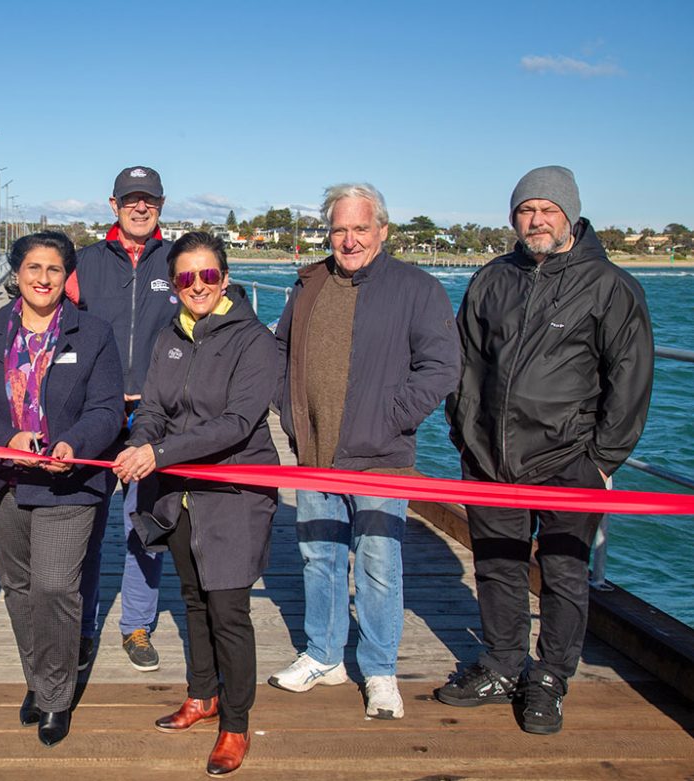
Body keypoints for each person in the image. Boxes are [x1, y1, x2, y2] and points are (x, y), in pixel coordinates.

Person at [437, 166, 653, 735]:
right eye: (525, 211)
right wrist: (465, 433)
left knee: (563, 575)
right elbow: (465, 363)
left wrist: (603, 460)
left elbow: (630, 379)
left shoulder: (609, 286)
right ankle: (505, 665)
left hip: (567, 463)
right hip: (489, 461)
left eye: (547, 210)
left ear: (571, 216)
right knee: (498, 567)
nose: (535, 220)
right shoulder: (492, 279)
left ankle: (551, 677)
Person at [269, 183, 459, 720]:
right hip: (314, 451)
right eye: (339, 229)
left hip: (380, 455)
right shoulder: (310, 284)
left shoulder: (416, 287)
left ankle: (378, 670)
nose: (349, 240)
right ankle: (324, 655)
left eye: (360, 228)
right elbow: (281, 348)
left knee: (378, 564)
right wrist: (287, 407)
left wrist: (393, 416)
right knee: (319, 556)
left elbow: (442, 366)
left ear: (382, 231)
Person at [113, 231, 278, 776]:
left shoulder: (254, 341)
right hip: (178, 492)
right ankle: (202, 696)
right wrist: (141, 443)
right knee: (191, 597)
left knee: (229, 610)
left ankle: (236, 723)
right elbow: (154, 407)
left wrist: (157, 452)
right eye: (187, 277)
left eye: (209, 275)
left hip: (233, 490)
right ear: (176, 285)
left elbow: (235, 424)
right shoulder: (169, 336)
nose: (198, 286)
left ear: (225, 278)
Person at [0, 231, 123, 747]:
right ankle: (40, 678)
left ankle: (54, 696)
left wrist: (73, 443)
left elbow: (108, 408)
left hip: (67, 483)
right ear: (16, 274)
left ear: (66, 277)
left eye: (53, 269)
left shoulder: (93, 333)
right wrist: (8, 439)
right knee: (20, 590)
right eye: (33, 268)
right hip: (3, 481)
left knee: (54, 587)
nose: (42, 279)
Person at [68, 165, 178, 672]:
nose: (140, 208)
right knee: (85, 525)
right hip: (96, 413)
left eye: (149, 201)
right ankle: (82, 624)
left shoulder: (179, 262)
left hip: (154, 417)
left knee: (145, 525)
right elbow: (53, 326)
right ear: (112, 206)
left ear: (160, 206)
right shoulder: (84, 263)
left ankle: (136, 624)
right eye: (130, 199)